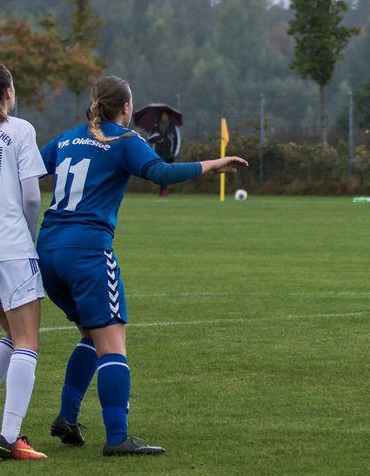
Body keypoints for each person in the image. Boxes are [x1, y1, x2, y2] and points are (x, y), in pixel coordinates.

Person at [38, 76, 247, 456]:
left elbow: (28, 170)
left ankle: (67, 418)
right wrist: (213, 163)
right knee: (113, 342)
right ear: (127, 107)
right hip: (87, 252)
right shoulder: (124, 140)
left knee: (90, 334)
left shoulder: (67, 138)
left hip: (48, 250)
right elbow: (161, 173)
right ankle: (117, 437)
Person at [0, 65, 48, 460]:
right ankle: (9, 436)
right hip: (12, 247)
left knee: (11, 338)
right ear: (9, 92)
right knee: (27, 340)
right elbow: (31, 197)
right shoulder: (20, 130)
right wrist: (27, 236)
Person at [147, 111, 180, 198]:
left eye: (166, 115)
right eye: (162, 115)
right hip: (157, 154)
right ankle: (164, 190)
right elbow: (150, 138)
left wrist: (174, 153)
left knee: (167, 173)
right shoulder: (155, 127)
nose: (164, 117)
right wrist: (158, 136)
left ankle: (163, 190)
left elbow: (177, 141)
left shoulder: (173, 127)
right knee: (161, 172)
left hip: (169, 154)